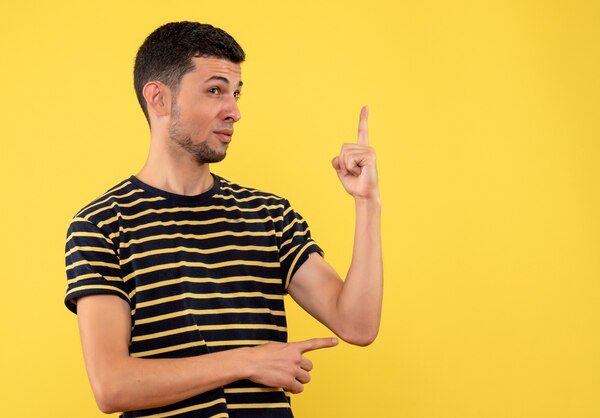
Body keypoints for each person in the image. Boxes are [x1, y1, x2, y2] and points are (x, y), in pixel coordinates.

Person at [64, 21, 382, 418]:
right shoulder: (101, 225)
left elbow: (358, 325)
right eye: (214, 90)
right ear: (158, 98)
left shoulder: (269, 215)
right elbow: (112, 386)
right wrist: (248, 361)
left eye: (236, 93)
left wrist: (367, 202)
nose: (234, 111)